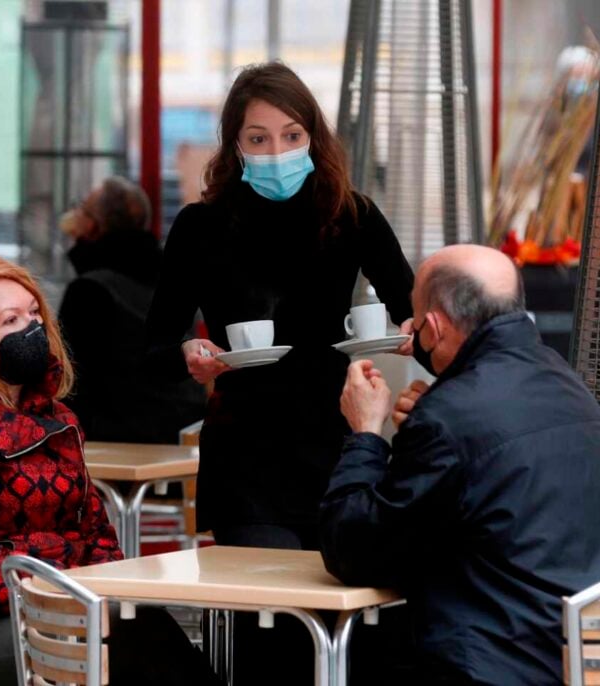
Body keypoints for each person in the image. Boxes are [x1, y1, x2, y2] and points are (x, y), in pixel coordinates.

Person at [145, 61, 414, 685]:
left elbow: (412, 310)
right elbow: (157, 340)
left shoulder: (353, 216)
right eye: (259, 138)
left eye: (292, 135)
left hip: (337, 447)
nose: (277, 150)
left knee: (356, 631)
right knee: (272, 635)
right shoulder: (202, 226)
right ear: (235, 145)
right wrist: (188, 353)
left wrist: (408, 339)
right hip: (246, 455)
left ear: (313, 138)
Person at [320, 244, 600, 685]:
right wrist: (435, 420)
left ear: (432, 328)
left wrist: (365, 435)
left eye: (415, 323)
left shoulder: (451, 417)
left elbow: (354, 552)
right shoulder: (565, 382)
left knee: (327, 654)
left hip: (514, 664)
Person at [0, 256, 219, 686]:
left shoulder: (59, 419)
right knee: (128, 633)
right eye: (11, 320)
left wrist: (67, 580)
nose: (31, 328)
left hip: (58, 612)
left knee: (136, 625)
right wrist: (66, 580)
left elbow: (99, 540)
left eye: (35, 312)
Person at [57, 176, 206, 443]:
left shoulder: (90, 291)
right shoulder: (174, 278)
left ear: (93, 226)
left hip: (117, 441)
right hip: (183, 430)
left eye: (81, 208)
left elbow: (69, 380)